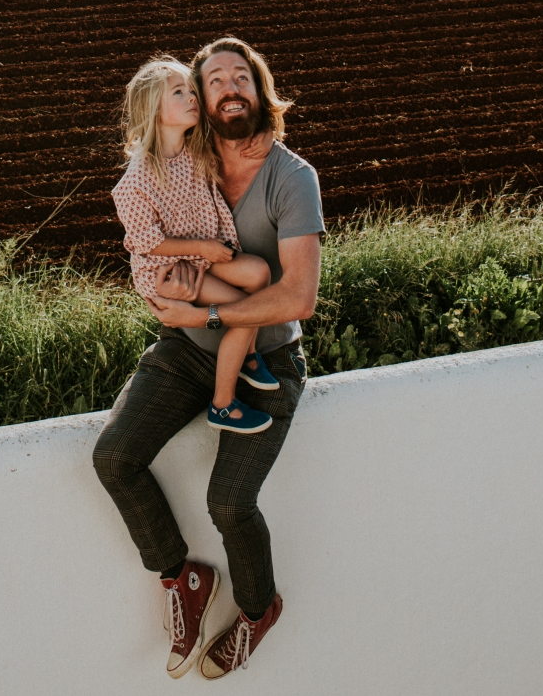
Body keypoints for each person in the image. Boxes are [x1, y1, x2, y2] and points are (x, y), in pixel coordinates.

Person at [93, 37, 324, 680]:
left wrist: (209, 314)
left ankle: (257, 609)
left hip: (270, 360)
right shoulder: (193, 157)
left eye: (239, 77)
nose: (225, 88)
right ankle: (182, 578)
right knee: (114, 457)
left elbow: (298, 296)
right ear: (199, 98)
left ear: (258, 89)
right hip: (184, 350)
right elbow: (147, 228)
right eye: (211, 78)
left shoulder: (291, 177)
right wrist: (177, 305)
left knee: (229, 503)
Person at [112, 56, 282, 435]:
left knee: (259, 273)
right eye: (178, 92)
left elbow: (238, 127)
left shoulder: (194, 146)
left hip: (201, 251)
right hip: (167, 266)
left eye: (191, 90)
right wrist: (204, 249)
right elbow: (146, 243)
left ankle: (248, 355)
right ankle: (222, 404)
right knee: (243, 308)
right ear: (154, 109)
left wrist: (268, 133)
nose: (191, 97)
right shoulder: (135, 180)